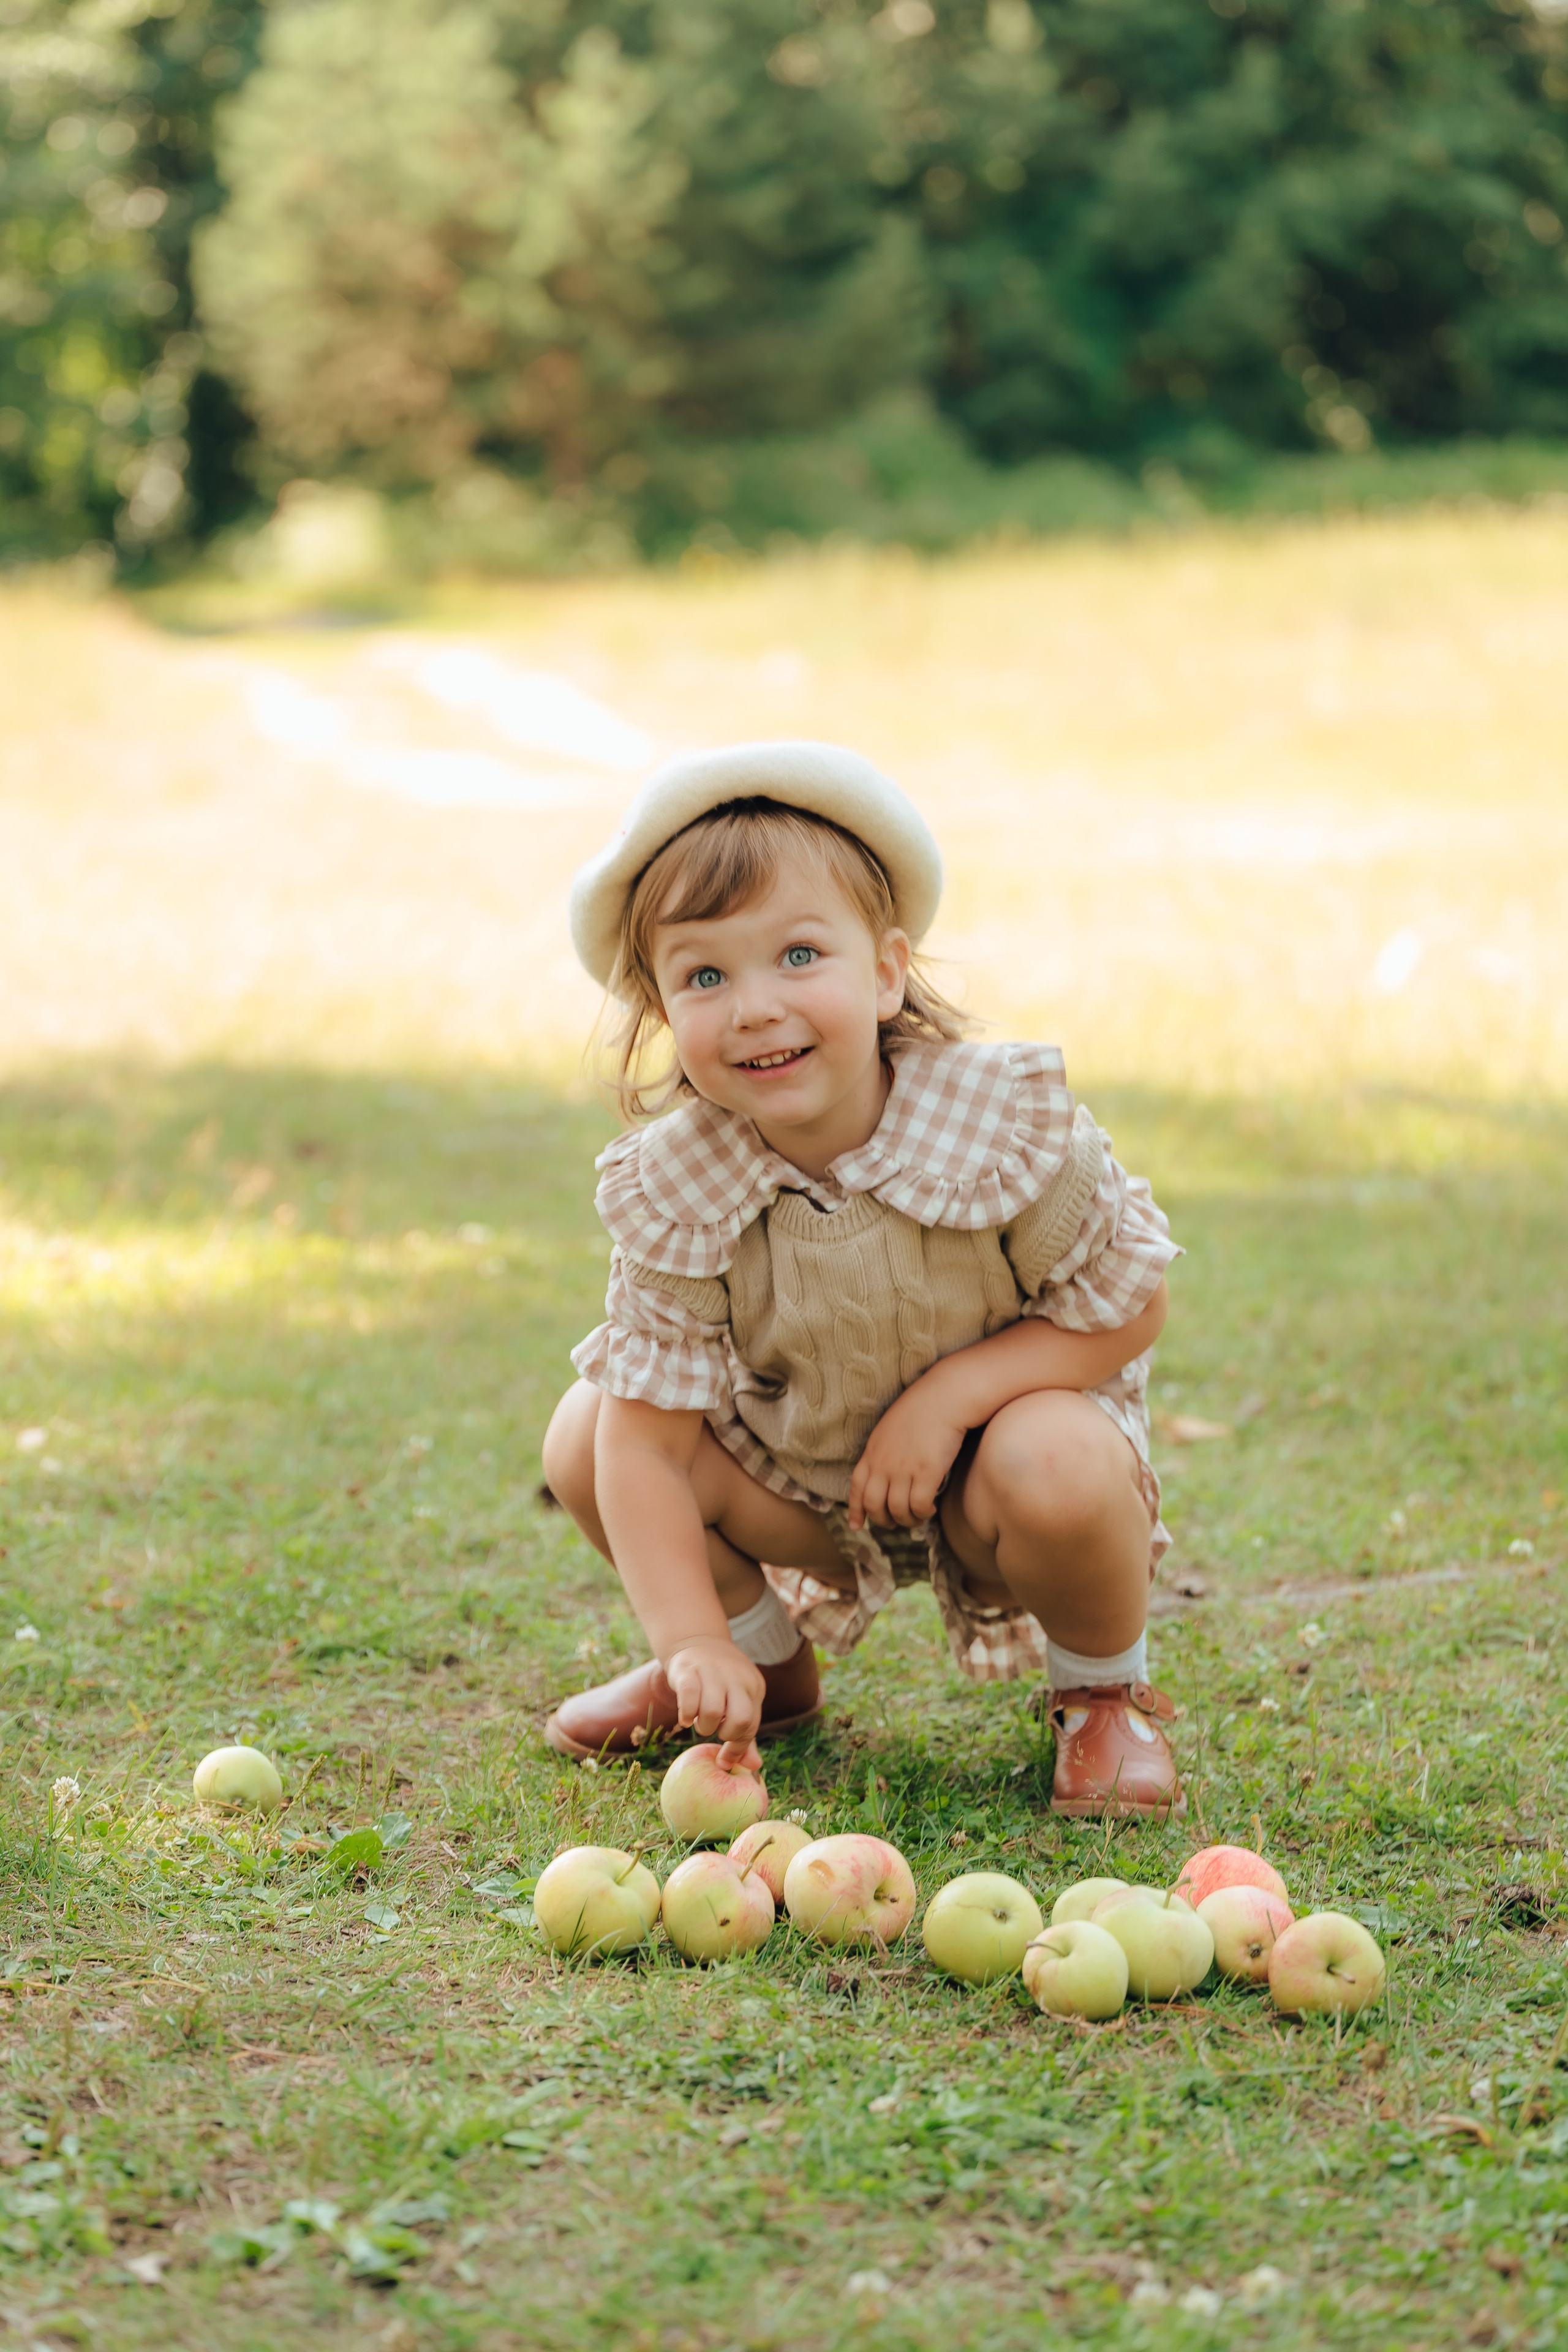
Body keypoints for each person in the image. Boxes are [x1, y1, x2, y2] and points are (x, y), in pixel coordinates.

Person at [541, 741, 1183, 1818]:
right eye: (705, 974)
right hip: (801, 1495)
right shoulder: (680, 1185)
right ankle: (756, 1670)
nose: (753, 1006)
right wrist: (689, 1634)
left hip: (994, 1487)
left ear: (886, 970)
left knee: (1060, 1452)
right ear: (660, 1007)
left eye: (798, 955)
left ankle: (1102, 1696)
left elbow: (1128, 1305)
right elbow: (648, 1446)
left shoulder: (999, 1125)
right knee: (588, 1428)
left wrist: (950, 1400)